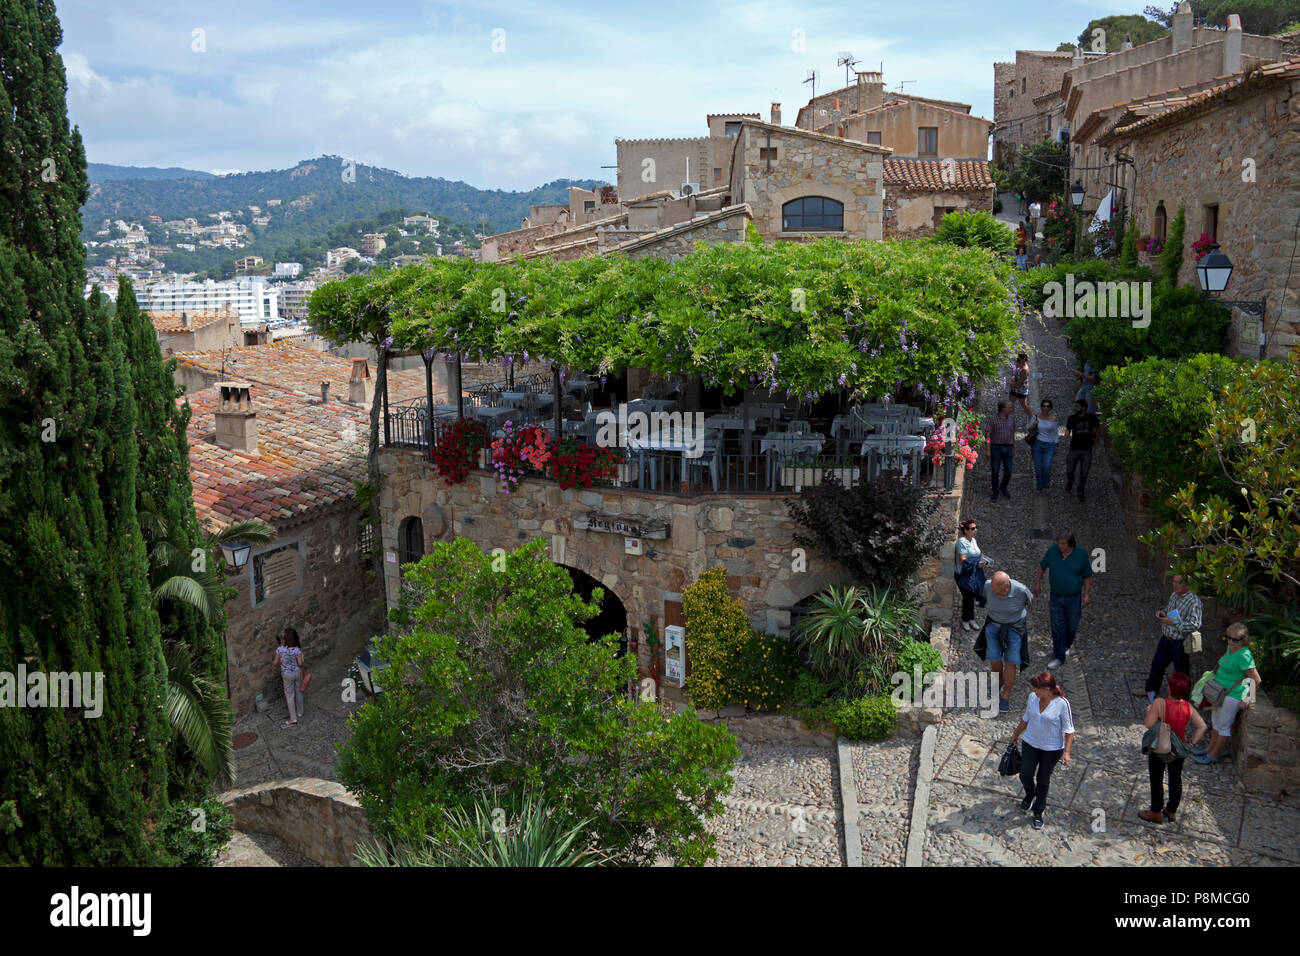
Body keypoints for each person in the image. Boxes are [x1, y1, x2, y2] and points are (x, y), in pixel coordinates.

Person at [1008, 672, 1074, 830]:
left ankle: (1038, 811)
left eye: (1037, 689)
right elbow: (1026, 718)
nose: (1034, 691)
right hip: (1030, 742)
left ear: (1047, 689)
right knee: (1025, 774)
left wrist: (1067, 752)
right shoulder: (1032, 697)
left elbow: (1069, 730)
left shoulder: (1062, 704)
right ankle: (1030, 795)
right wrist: (1015, 734)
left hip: (1051, 749)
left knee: (1043, 780)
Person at [1139, 672, 1207, 824]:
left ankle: (1155, 811)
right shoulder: (1188, 707)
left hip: (1160, 747)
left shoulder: (1160, 703)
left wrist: (1151, 711)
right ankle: (1171, 811)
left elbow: (1148, 724)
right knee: (1175, 779)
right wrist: (1191, 744)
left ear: (1169, 688)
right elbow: (1202, 726)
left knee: (1156, 778)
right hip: (1178, 749)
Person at [1193, 623, 1262, 764]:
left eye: (1235, 639)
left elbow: (1256, 679)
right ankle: (1209, 749)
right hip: (1218, 692)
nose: (1230, 641)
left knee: (1223, 726)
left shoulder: (1244, 655)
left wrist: (1249, 698)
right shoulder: (1230, 649)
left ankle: (1213, 755)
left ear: (1243, 640)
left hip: (1232, 695)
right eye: (1228, 638)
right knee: (1216, 723)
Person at [1137, 575, 1203, 703]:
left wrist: (1173, 622)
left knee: (1181, 673)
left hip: (1180, 642)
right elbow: (1169, 610)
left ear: (1188, 585)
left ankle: (1182, 701)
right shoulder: (1174, 595)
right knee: (1157, 665)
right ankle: (1150, 690)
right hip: (1166, 638)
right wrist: (1162, 613)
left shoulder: (1194, 602)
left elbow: (1195, 624)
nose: (1175, 585)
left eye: (1179, 583)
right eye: (1174, 582)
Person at [1034, 532, 1093, 670]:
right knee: (1057, 626)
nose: (1060, 546)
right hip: (1056, 596)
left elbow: (1088, 576)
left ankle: (1065, 644)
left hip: (1074, 597)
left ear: (1071, 544)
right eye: (1059, 543)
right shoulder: (1053, 551)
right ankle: (1059, 655)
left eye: (1063, 544)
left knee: (1072, 625)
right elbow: (1042, 566)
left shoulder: (1081, 555)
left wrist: (1086, 594)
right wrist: (1038, 582)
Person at [980, 571, 1034, 712]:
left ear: (1006, 587)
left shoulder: (1021, 590)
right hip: (993, 625)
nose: (993, 592)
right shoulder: (988, 586)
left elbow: (1030, 599)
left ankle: (1006, 694)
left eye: (997, 591)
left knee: (1012, 660)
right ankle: (1000, 680)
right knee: (994, 657)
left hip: (1014, 628)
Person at [953, 518, 991, 631]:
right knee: (967, 597)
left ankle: (971, 619)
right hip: (963, 574)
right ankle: (966, 619)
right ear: (965, 531)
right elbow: (963, 559)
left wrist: (983, 560)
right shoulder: (961, 542)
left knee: (973, 594)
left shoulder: (973, 540)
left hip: (974, 573)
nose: (976, 530)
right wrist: (976, 563)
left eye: (975, 528)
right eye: (973, 528)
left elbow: (976, 554)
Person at [1064, 399, 1101, 502]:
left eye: (1077, 406)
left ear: (1083, 408)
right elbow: (1068, 429)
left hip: (1087, 449)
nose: (1076, 408)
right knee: (1069, 470)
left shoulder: (1091, 417)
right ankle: (1071, 481)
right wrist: (1067, 433)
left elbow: (1098, 428)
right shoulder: (1072, 418)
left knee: (1084, 472)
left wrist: (1095, 439)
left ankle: (1080, 491)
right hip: (1074, 448)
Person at [274, 627, 305, 729]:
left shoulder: (280, 650)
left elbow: (275, 663)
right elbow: (300, 663)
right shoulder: (297, 649)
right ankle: (300, 712)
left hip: (287, 675)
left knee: (289, 695)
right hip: (297, 672)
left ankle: (293, 718)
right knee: (299, 691)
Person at [987, 400, 1016, 502]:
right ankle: (995, 492)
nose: (1011, 409)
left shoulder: (1011, 419)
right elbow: (987, 435)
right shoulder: (993, 419)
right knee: (995, 471)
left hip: (1008, 448)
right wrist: (988, 449)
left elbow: (1012, 433)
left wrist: (1013, 446)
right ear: (1003, 408)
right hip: (996, 448)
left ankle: (1003, 487)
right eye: (1010, 408)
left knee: (1009, 470)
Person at [1029, 398, 1060, 492]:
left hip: (1049, 445)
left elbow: (1055, 433)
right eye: (1044, 406)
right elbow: (1029, 430)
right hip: (1037, 444)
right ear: (1041, 407)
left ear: (1050, 408)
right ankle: (1039, 484)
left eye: (1047, 406)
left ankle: (1046, 482)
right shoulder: (1035, 417)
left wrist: (1056, 444)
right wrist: (1034, 425)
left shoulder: (1053, 418)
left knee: (1047, 465)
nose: (1045, 408)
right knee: (1038, 467)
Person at [1008, 353, 1031, 419]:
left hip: (1021, 390)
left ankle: (1032, 418)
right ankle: (1011, 419)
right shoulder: (1021, 363)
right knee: (1011, 404)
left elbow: (1019, 384)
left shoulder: (1024, 370)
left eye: (1019, 359)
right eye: (1017, 359)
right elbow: (1015, 373)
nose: (1017, 361)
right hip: (1015, 388)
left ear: (1024, 359)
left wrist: (1012, 383)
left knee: (1024, 406)